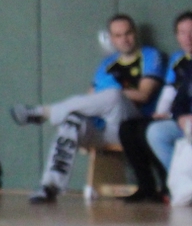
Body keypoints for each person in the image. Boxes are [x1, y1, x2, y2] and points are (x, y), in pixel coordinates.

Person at [11, 14, 165, 203]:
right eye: (118, 35)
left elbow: (143, 95)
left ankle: (46, 112)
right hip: (103, 128)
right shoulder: (106, 64)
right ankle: (49, 186)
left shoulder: (150, 55)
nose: (124, 39)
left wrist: (114, 93)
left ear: (135, 33)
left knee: (113, 95)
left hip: (130, 126)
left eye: (128, 33)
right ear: (111, 38)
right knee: (71, 121)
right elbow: (90, 100)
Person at [145, 11, 192, 182]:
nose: (188, 37)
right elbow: (179, 100)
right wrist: (179, 117)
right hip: (188, 124)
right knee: (156, 132)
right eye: (183, 33)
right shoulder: (188, 65)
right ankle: (182, 183)